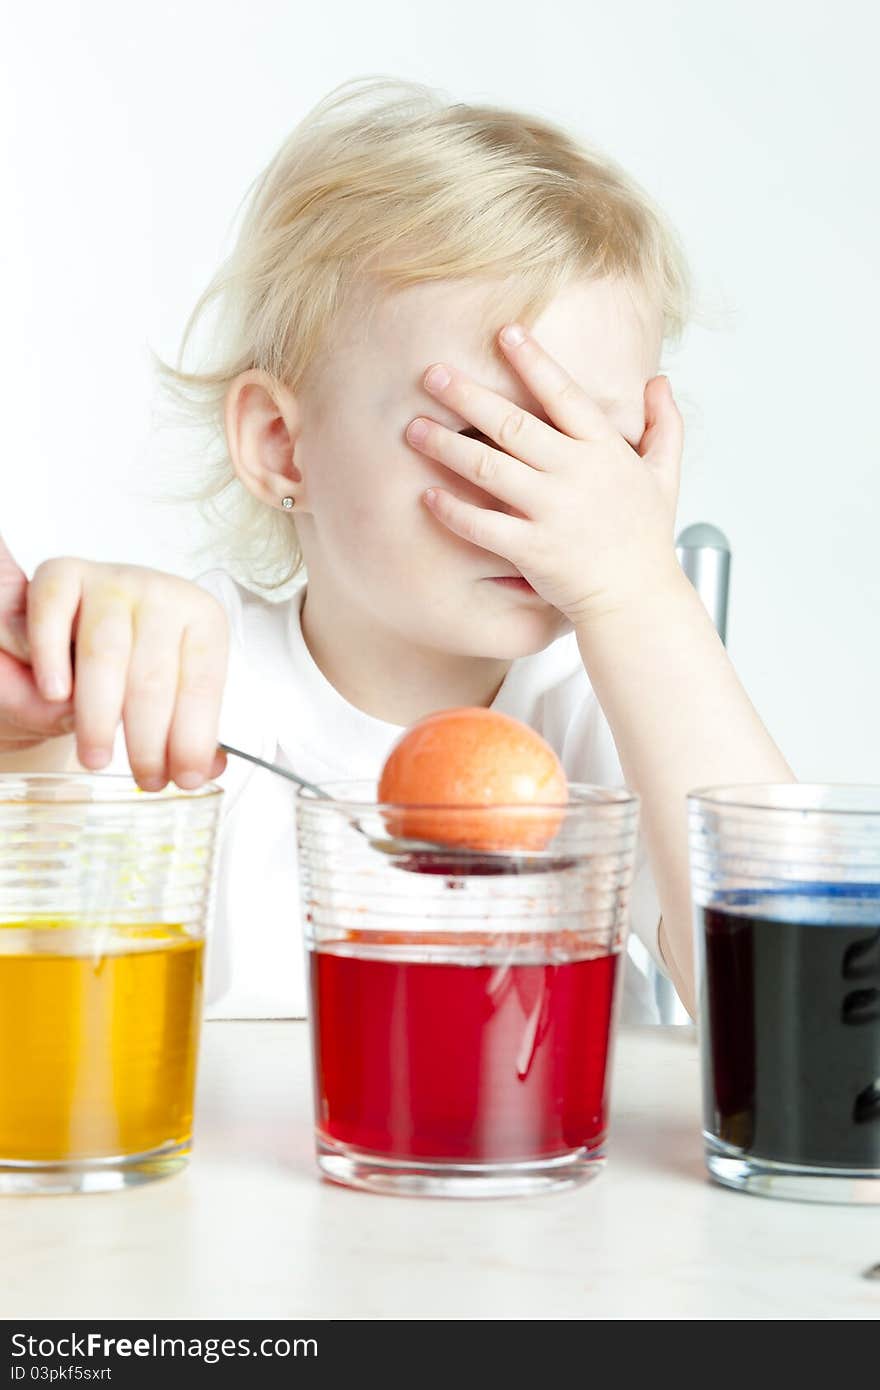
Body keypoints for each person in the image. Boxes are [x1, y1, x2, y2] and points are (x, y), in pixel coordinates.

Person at [0, 77, 795, 1024]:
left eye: (597, 453)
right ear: (281, 445)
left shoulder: (603, 712)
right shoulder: (187, 688)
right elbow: (46, 976)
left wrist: (641, 597)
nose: (545, 500)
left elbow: (783, 1007)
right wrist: (34, 741)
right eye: (481, 436)